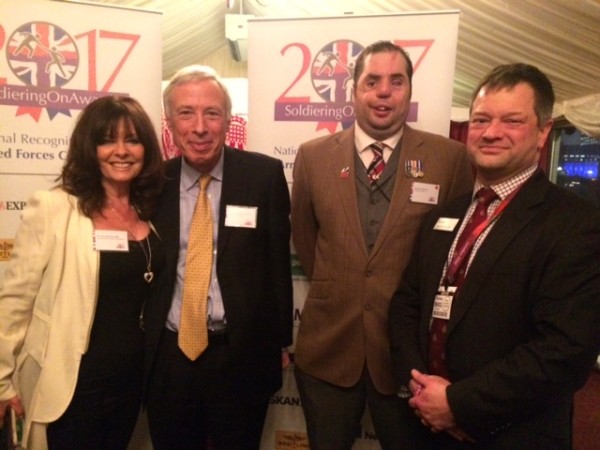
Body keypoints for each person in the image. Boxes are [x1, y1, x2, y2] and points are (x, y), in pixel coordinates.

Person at [389, 63, 600, 449]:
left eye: (512, 121)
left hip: (510, 433)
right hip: (425, 426)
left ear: (543, 132)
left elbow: (565, 351)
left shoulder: (577, 224)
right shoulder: (444, 215)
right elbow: (407, 303)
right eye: (481, 120)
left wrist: (457, 404)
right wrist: (420, 389)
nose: (491, 132)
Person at [290, 40, 473, 450]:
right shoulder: (313, 156)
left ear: (409, 90)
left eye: (396, 81)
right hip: (328, 350)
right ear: (354, 90)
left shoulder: (450, 158)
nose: (384, 91)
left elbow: (454, 253)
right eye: (372, 81)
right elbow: (305, 236)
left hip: (409, 359)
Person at [0, 95, 165, 449]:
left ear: (146, 148)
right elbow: (14, 300)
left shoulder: (150, 210)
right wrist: (2, 381)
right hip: (72, 383)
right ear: (89, 147)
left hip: (132, 383)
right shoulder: (55, 207)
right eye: (107, 139)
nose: (121, 151)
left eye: (132, 140)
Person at [144, 65, 293, 450]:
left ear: (228, 120)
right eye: (186, 113)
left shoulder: (264, 176)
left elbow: (277, 267)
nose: (199, 127)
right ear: (170, 122)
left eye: (211, 113)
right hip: (170, 357)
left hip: (240, 355)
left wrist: (280, 343)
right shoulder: (151, 183)